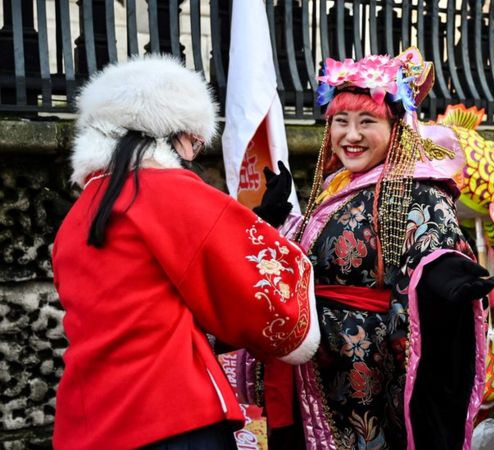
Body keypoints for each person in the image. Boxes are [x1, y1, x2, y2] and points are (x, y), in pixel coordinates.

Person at [51, 55, 319, 449]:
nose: (195, 150)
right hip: (170, 414)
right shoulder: (167, 190)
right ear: (174, 131)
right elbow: (253, 287)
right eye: (195, 139)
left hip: (87, 420)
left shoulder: (80, 213)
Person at [256, 48, 494, 449]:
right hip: (316, 363)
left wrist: (442, 274)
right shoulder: (338, 184)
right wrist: (279, 219)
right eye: (340, 122)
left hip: (366, 373)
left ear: (396, 128)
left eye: (366, 121)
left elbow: (431, 251)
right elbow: (322, 250)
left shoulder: (418, 191)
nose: (350, 136)